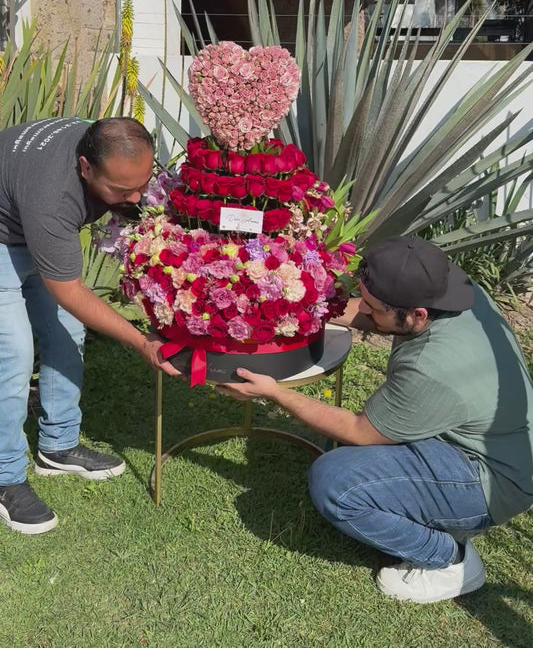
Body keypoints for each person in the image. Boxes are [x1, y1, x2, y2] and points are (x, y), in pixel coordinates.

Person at [217, 236, 533, 604]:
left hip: (492, 481)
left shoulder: (432, 367)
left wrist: (273, 392)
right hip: (489, 440)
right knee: (345, 452)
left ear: (418, 315)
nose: (362, 309)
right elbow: (377, 316)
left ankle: (451, 560)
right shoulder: (451, 288)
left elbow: (358, 430)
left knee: (336, 482)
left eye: (372, 306)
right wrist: (296, 305)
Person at [0, 116, 180, 536]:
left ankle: (58, 445)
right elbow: (70, 292)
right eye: (121, 190)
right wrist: (141, 341)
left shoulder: (108, 142)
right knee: (13, 355)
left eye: (141, 183)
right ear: (85, 168)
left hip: (30, 223)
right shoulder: (53, 195)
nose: (136, 197)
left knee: (70, 331)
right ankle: (6, 476)